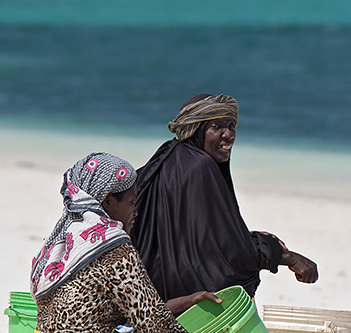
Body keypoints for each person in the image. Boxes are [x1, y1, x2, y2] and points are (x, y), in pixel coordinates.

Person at [26, 152, 351, 333]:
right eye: (130, 201)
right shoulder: (112, 246)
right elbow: (155, 324)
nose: (135, 211)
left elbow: (110, 314)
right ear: (109, 200)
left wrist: (186, 300)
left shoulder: (63, 242)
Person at [131, 93, 318, 300]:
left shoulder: (167, 156)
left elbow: (204, 236)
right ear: (196, 130)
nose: (228, 135)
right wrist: (284, 255)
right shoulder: (200, 166)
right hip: (182, 297)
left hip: (151, 293)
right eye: (217, 127)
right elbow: (226, 253)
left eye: (231, 126)